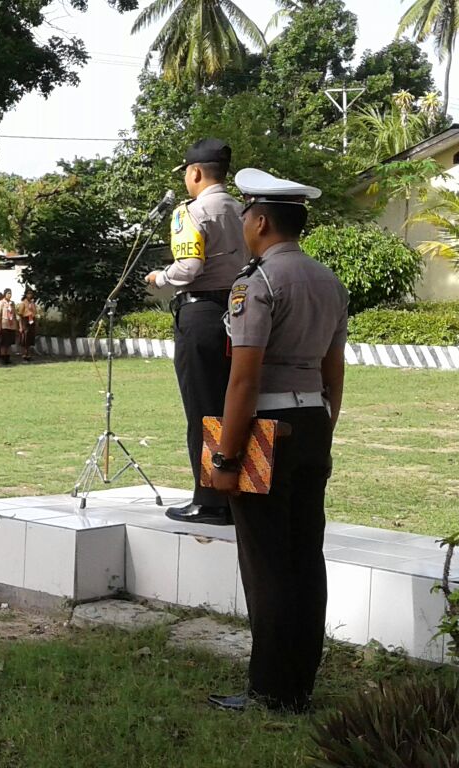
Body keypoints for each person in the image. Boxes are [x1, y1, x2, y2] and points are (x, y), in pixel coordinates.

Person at [205, 168, 346, 714]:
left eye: (245, 216)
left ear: (260, 220)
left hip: (265, 430)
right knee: (305, 557)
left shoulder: (256, 283)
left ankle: (268, 690)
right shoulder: (328, 281)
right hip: (313, 424)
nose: (243, 224)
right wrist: (322, 431)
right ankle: (299, 686)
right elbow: (334, 372)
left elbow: (244, 380)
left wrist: (225, 455)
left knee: (265, 564)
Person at [146, 138, 250, 527]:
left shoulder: (189, 212)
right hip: (238, 312)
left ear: (194, 173)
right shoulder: (244, 210)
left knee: (202, 407)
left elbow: (188, 268)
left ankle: (209, 498)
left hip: (202, 314)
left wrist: (160, 278)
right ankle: (239, 490)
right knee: (234, 405)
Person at [0, 289, 19, 366]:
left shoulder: (12, 303)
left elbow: (14, 314)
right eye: (8, 293)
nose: (9, 295)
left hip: (11, 325)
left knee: (9, 343)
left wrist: (16, 325)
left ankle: (8, 358)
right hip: (4, 325)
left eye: (10, 293)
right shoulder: (1, 303)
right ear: (5, 294)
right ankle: (3, 358)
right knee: (3, 343)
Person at [17, 288, 38, 361]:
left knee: (30, 337)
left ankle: (28, 354)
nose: (30, 295)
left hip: (31, 321)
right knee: (24, 338)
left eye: (31, 294)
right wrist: (20, 326)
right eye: (28, 293)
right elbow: (20, 315)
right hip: (25, 321)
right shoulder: (23, 303)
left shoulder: (32, 303)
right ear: (26, 295)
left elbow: (35, 312)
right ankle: (24, 354)